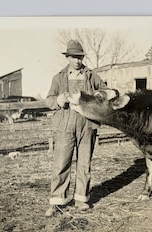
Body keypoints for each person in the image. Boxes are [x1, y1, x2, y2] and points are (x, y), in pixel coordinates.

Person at [45, 40, 106, 216]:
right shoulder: (59, 78)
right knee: (61, 163)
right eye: (74, 57)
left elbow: (104, 90)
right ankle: (57, 201)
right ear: (68, 57)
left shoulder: (91, 75)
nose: (77, 61)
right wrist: (58, 100)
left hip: (87, 124)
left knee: (84, 163)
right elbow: (49, 100)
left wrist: (97, 96)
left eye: (80, 57)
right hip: (65, 125)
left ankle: (81, 199)